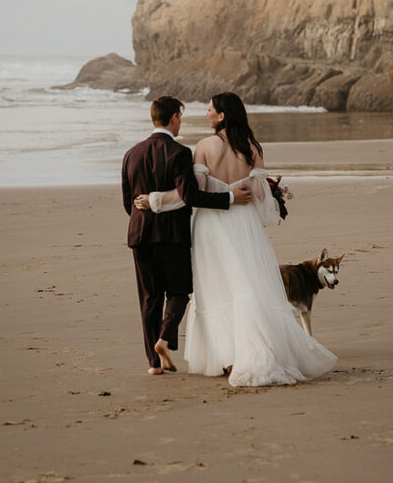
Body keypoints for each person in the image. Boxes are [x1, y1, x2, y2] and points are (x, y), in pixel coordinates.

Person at [134, 92, 336, 387]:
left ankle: (228, 357)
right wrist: (261, 206)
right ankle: (253, 350)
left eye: (210, 109)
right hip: (243, 223)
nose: (206, 113)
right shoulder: (252, 147)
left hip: (211, 225)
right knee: (247, 283)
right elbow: (262, 199)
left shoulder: (204, 146)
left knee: (217, 288)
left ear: (223, 115)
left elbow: (189, 194)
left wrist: (154, 200)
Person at [121, 95, 252, 376]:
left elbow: (126, 202)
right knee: (179, 292)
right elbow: (189, 196)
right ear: (174, 118)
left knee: (149, 298)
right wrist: (230, 198)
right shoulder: (180, 153)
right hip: (172, 235)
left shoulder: (131, 154)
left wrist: (144, 216)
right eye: (181, 117)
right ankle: (164, 338)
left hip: (139, 235)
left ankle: (153, 364)